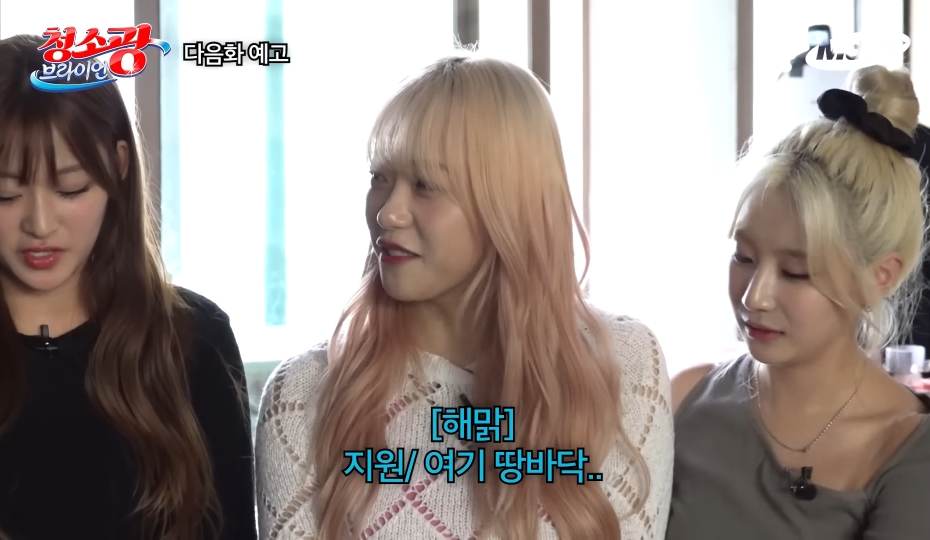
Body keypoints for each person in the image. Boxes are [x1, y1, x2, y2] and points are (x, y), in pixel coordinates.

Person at [255, 54, 673, 539]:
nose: (388, 213)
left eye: (425, 185)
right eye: (379, 178)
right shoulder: (303, 396)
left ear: (511, 203)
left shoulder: (622, 366)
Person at [0, 35, 257, 540]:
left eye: (70, 188)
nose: (40, 224)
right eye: (5, 193)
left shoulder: (194, 341)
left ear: (118, 168)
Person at [667, 65, 930, 539]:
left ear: (880, 276)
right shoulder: (683, 397)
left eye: (795, 272)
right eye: (743, 256)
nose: (754, 296)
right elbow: (570, 475)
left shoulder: (908, 449)